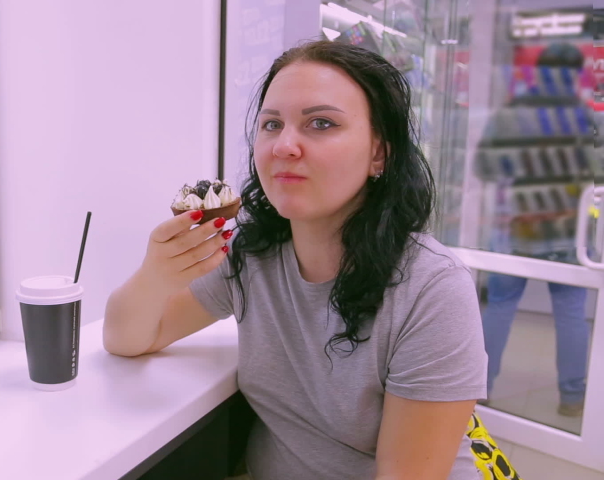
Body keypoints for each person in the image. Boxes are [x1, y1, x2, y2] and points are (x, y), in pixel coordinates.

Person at [104, 41, 487, 479]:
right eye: (271, 124)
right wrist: (157, 275)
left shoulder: (431, 289)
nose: (284, 145)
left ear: (378, 153)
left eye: (320, 123)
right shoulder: (253, 256)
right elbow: (128, 337)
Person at [477, 43, 591, 417]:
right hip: (569, 235)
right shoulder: (589, 120)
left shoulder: (513, 115)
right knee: (572, 313)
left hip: (515, 230)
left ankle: (480, 389)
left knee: (500, 307)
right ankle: (572, 398)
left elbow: (485, 167)